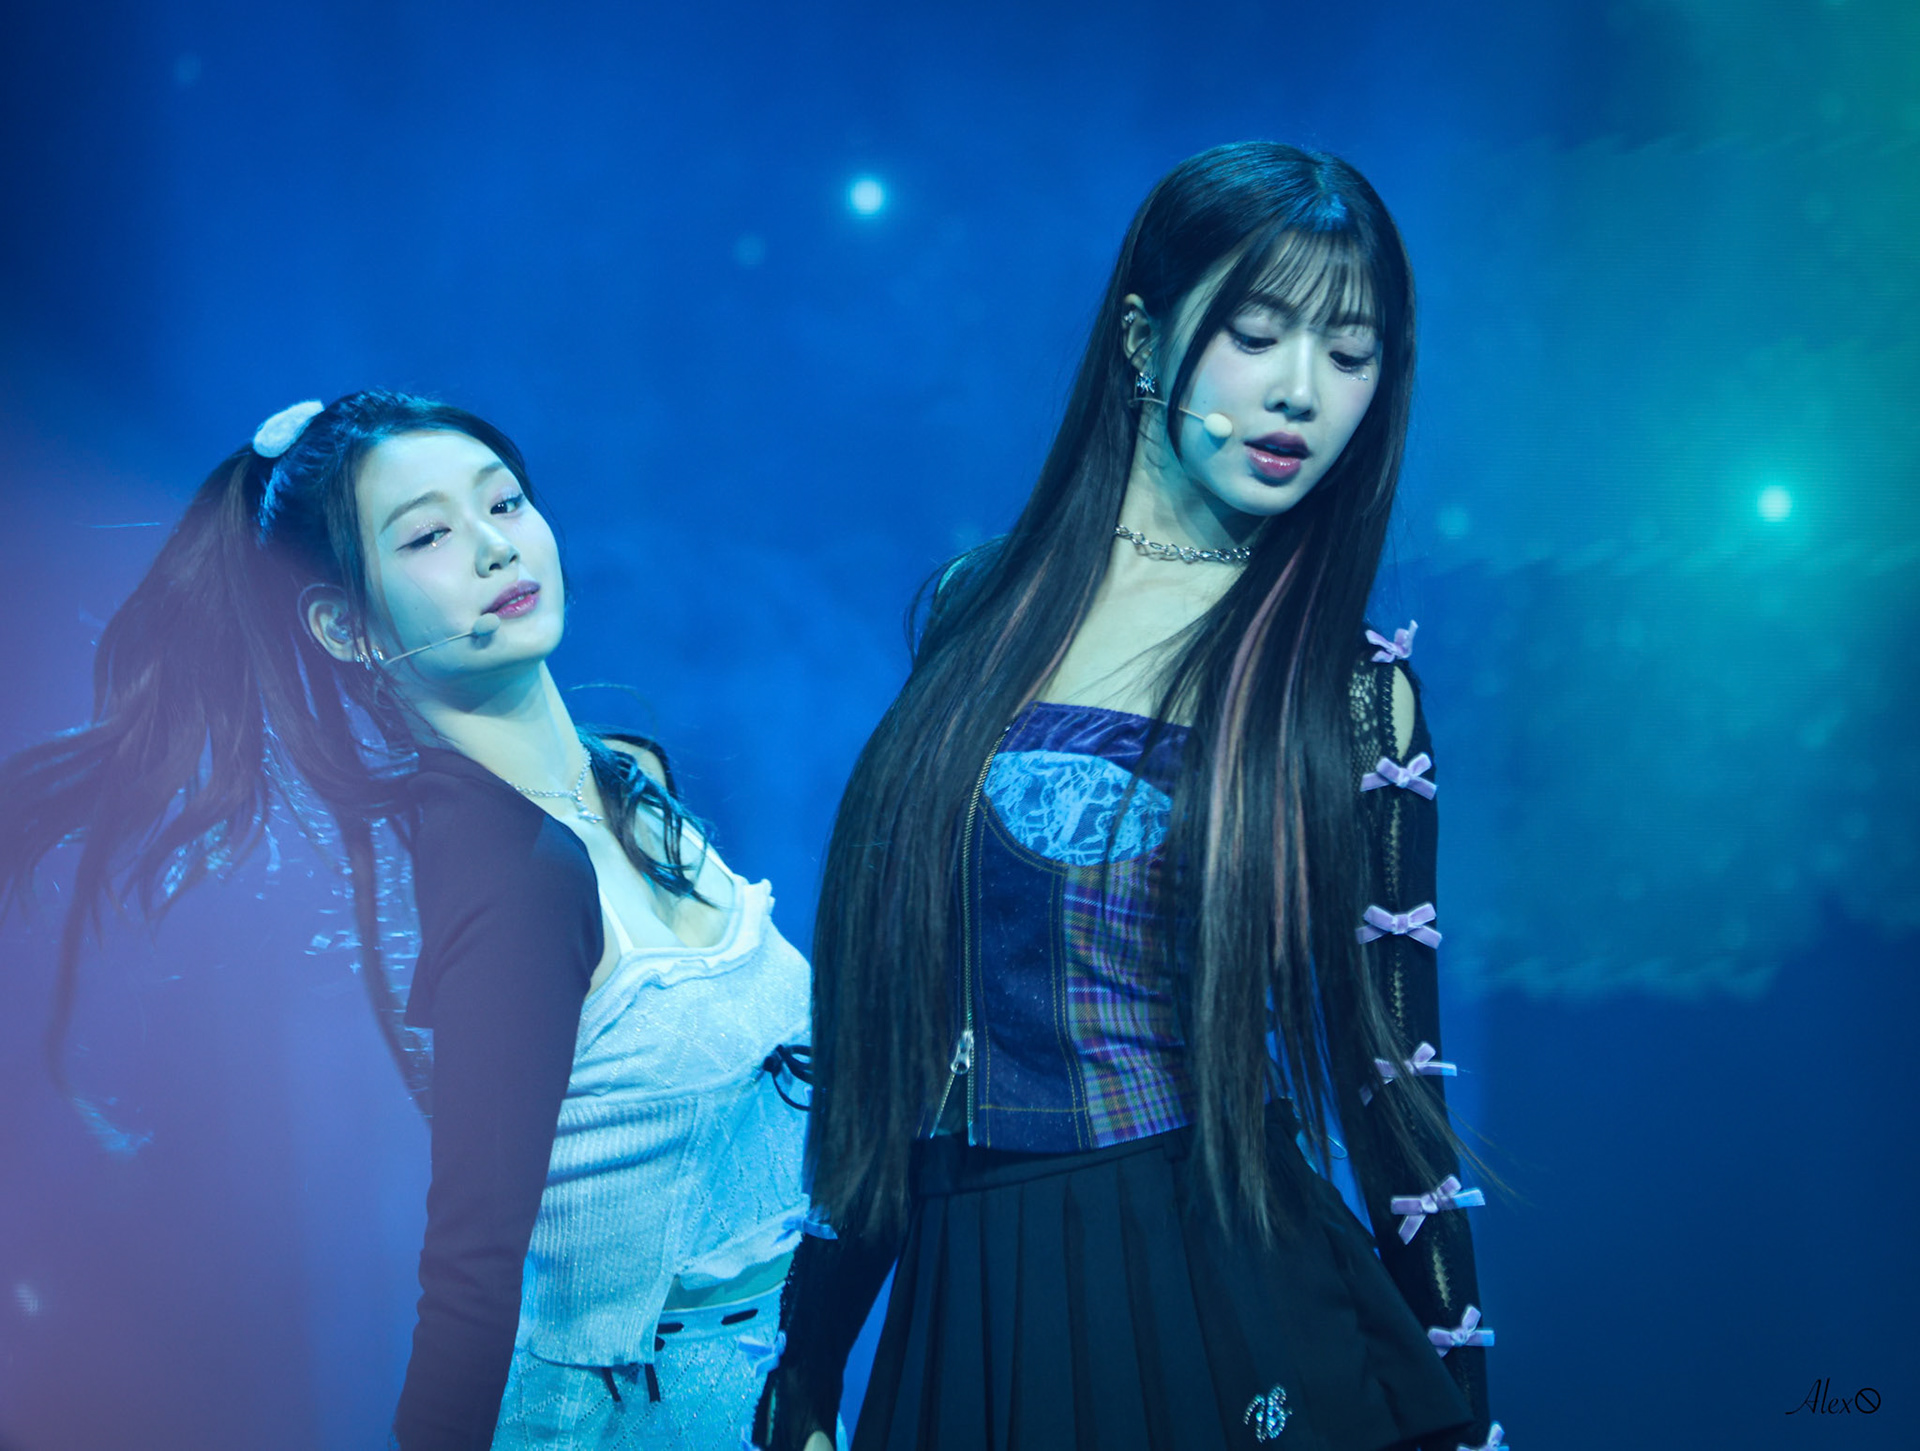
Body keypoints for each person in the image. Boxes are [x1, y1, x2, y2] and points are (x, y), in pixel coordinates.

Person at [755, 142, 1503, 1451]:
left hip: (1220, 1279)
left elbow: (1394, 1088)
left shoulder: (1349, 690)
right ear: (1146, 341)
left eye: (1351, 353)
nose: (1301, 391)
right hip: (973, 1289)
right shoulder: (979, 608)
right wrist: (807, 1356)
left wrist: (1471, 1413)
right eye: (1256, 334)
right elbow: (900, 1025)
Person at [0, 391, 814, 1450]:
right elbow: (469, 1280)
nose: (493, 545)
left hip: (764, 1391)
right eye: (427, 535)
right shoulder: (509, 869)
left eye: (504, 503)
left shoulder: (626, 780)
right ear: (343, 625)